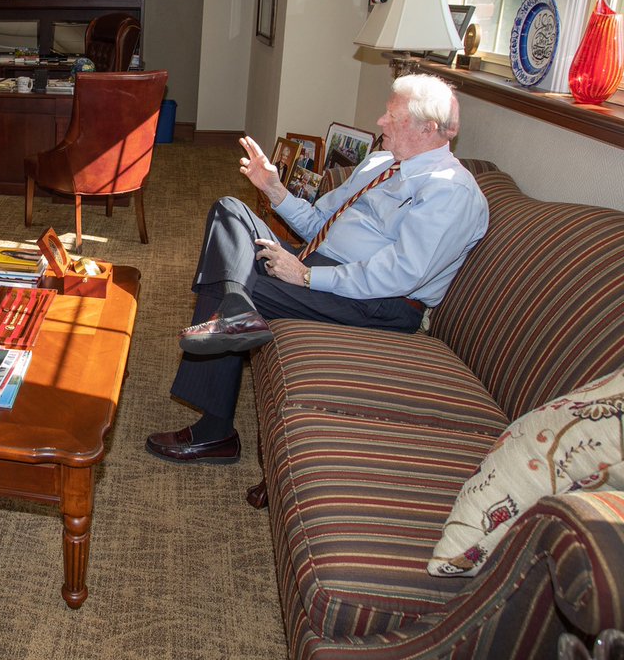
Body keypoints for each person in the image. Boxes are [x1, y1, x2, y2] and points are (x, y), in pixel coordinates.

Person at [145, 74, 488, 465]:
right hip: (320, 262)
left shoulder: (449, 191)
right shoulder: (381, 163)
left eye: (392, 116)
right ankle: (237, 310)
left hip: (379, 302)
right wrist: (274, 189)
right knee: (231, 211)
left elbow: (400, 275)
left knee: (236, 280)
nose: (380, 122)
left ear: (428, 128)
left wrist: (307, 277)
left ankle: (215, 431)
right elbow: (318, 224)